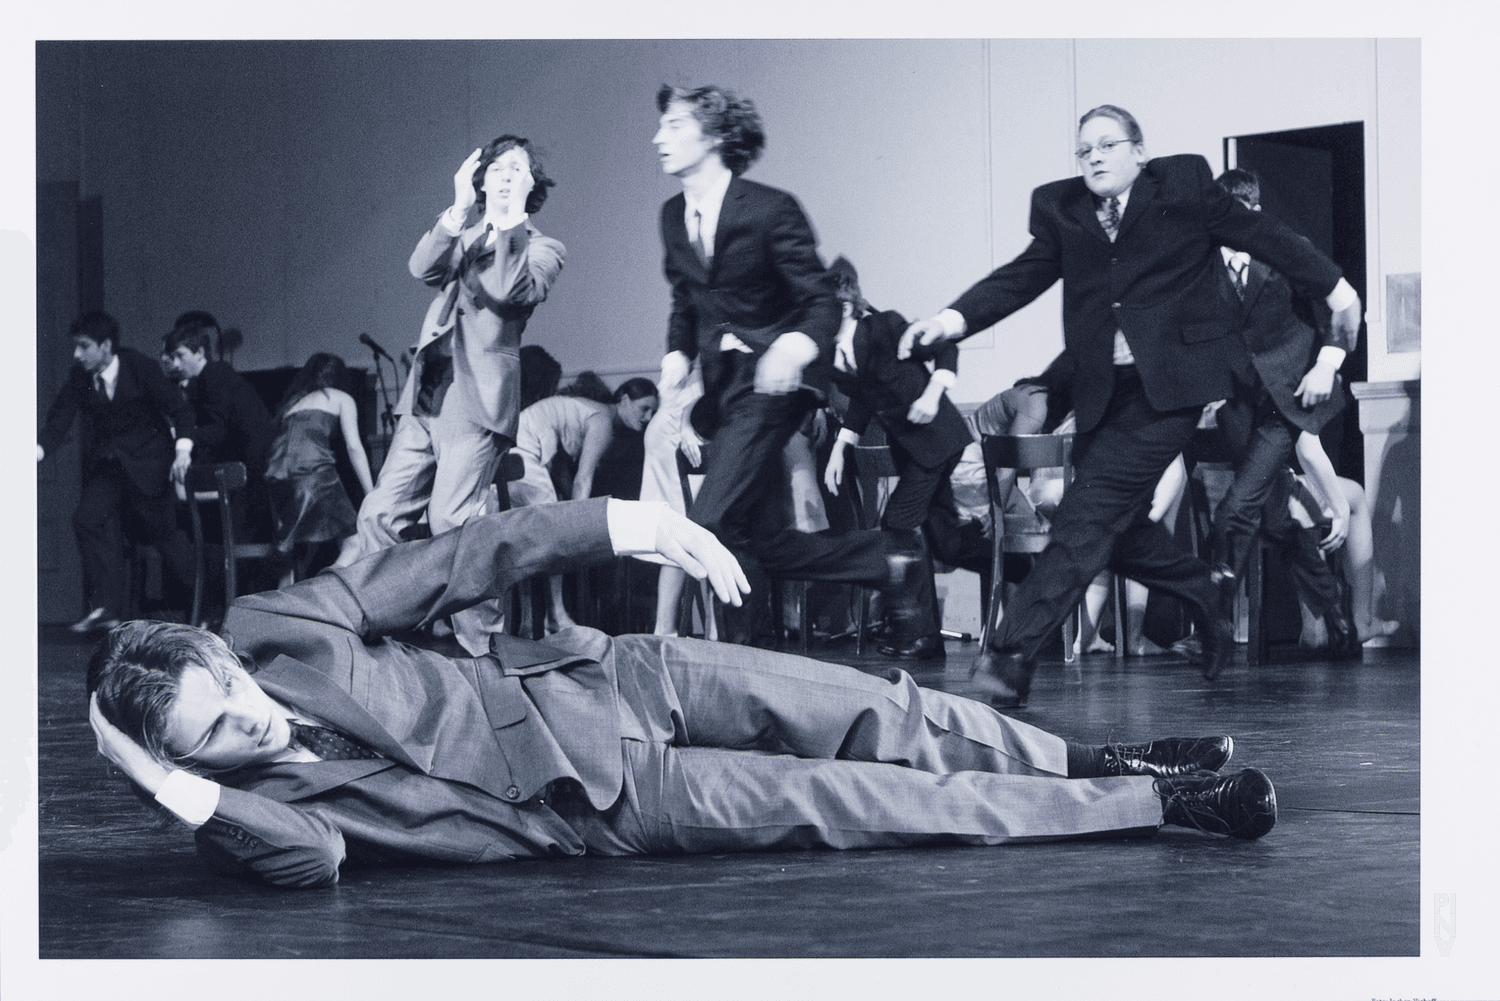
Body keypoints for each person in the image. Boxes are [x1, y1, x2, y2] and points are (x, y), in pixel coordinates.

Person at [87, 496, 1277, 890]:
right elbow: (318, 861)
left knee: (887, 709)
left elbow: (451, 562)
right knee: (873, 798)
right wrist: (151, 765)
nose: (249, 713)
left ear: (224, 649)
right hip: (606, 800)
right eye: (217, 736)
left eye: (229, 688)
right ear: (190, 765)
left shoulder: (272, 626)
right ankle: (1160, 810)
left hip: (609, 675)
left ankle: (1099, 762)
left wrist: (628, 520)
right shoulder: (245, 823)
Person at [902, 104, 1362, 706]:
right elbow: (1018, 279)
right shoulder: (1062, 209)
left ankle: (1009, 656)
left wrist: (1335, 286)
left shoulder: (1184, 187)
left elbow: (1263, 235)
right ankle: (1202, 589)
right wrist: (948, 320)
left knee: (1085, 517)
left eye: (1108, 144)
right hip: (1101, 392)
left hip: (1170, 392)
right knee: (1102, 525)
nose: (1093, 155)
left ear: (1138, 152)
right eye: (1083, 148)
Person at [652, 84, 920, 645]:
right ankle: (883, 559)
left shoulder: (771, 209)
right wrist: (677, 351)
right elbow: (685, 297)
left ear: (717, 135)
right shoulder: (673, 216)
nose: (660, 137)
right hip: (724, 392)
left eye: (675, 125)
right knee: (748, 536)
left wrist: (795, 345)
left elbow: (820, 299)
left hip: (776, 385)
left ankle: (740, 663)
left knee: (705, 524)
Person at [340, 135, 566, 656]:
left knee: (453, 522)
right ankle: (381, 633)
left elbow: (510, 291)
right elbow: (422, 268)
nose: (506, 174)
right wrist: (459, 209)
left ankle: (482, 651)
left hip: (478, 402)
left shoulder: (543, 247)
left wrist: (507, 219)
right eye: (498, 167)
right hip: (427, 397)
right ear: (481, 177)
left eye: (518, 169)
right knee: (378, 516)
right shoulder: (463, 236)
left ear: (531, 185)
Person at [1205, 169, 1358, 670]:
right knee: (1274, 519)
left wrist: (1326, 363)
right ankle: (1337, 616)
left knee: (1234, 508)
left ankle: (1214, 626)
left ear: (1253, 212)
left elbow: (1336, 306)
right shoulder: (1205, 264)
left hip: (1286, 402)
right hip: (1236, 404)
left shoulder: (1287, 248)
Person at [822, 256, 974, 660]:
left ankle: (917, 632)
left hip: (938, 438)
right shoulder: (834, 352)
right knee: (945, 541)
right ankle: (1014, 570)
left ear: (847, 301)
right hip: (910, 447)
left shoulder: (885, 325)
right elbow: (863, 397)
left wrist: (931, 394)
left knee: (898, 523)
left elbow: (946, 349)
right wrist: (842, 444)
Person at [39, 310, 200, 630]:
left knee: (165, 539)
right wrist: (37, 451)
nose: (77, 354)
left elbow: (180, 409)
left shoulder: (139, 367)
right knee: (87, 519)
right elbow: (60, 417)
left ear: (106, 345)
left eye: (84, 346)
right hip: (112, 469)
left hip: (150, 468)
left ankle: (207, 603)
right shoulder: (79, 377)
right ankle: (107, 608)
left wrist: (183, 451)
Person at [508, 378, 660, 630]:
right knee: (552, 535)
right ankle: (555, 615)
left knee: (534, 539)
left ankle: (538, 618)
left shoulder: (594, 414)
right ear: (623, 400)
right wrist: (577, 525)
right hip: (525, 449)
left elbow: (566, 471)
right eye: (643, 408)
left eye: (652, 412)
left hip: (524, 447)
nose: (648, 417)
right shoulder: (602, 421)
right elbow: (583, 478)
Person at [263, 353, 376, 580]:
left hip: (278, 479)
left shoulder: (293, 404)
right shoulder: (341, 397)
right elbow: (354, 447)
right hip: (315, 473)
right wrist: (372, 494)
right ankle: (325, 591)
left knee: (298, 552)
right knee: (354, 542)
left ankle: (288, 607)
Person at [163, 321, 276, 489]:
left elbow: (217, 430)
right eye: (173, 357)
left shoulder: (215, 375)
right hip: (250, 463)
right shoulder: (209, 378)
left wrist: (181, 436)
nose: (176, 364)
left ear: (200, 353)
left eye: (180, 355)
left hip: (252, 469)